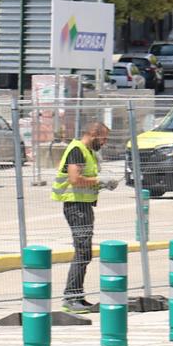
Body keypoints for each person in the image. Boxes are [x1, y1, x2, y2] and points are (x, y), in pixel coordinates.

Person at [53, 121, 118, 312]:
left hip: (83, 206)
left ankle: (77, 296)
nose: (104, 142)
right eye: (103, 138)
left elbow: (85, 179)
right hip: (76, 206)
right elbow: (74, 179)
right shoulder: (77, 149)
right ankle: (71, 297)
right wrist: (99, 180)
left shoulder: (87, 151)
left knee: (85, 252)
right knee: (82, 251)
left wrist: (102, 184)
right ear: (94, 134)